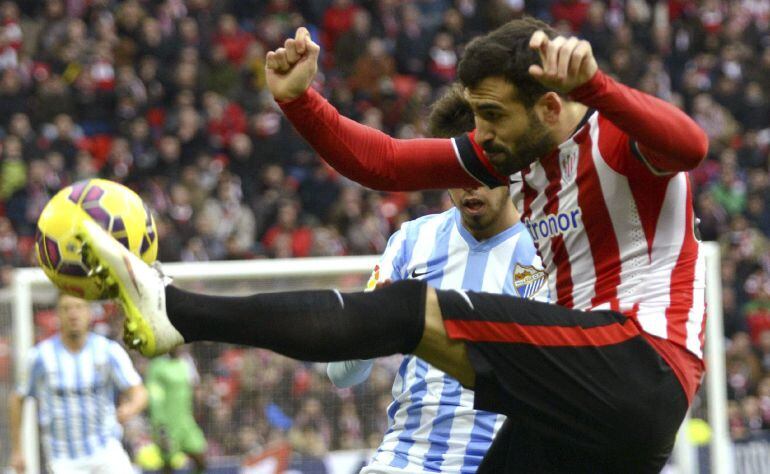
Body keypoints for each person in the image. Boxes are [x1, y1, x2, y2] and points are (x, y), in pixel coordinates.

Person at [76, 17, 708, 472]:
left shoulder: (618, 142)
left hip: (640, 361)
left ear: (549, 105)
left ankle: (178, 312)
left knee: (411, 309)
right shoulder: (515, 155)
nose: (480, 135)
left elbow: (691, 146)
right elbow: (384, 162)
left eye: (492, 114)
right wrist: (300, 102)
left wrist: (597, 87)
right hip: (584, 406)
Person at [326, 86, 547, 473]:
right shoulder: (413, 242)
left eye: (481, 169)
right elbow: (341, 375)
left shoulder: (549, 250)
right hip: (405, 460)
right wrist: (369, 329)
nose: (469, 184)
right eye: (456, 171)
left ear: (512, 167)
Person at [9, 293, 147, 474]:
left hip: (106, 450)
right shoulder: (40, 356)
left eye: (79, 307)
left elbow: (139, 391)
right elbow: (17, 398)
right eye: (66, 308)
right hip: (63, 459)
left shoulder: (108, 351)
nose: (73, 314)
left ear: (89, 313)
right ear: (57, 315)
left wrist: (131, 407)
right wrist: (18, 450)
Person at [145, 347, 207, 474]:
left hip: (186, 421)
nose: (181, 347)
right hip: (166, 424)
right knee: (168, 466)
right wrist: (160, 426)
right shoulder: (157, 366)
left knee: (200, 457)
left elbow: (194, 387)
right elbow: (154, 398)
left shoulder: (186, 363)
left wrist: (197, 408)